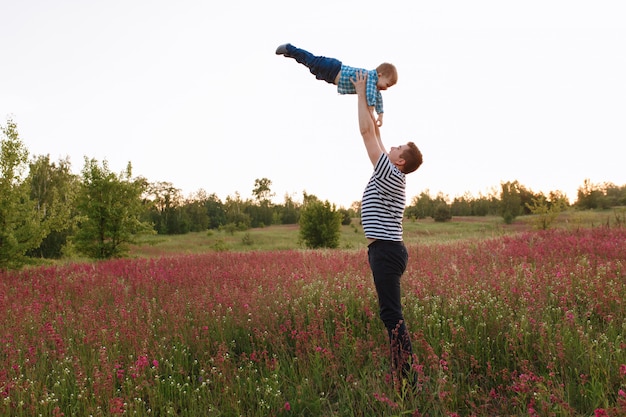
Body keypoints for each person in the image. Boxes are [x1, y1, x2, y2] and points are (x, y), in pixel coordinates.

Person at [351, 70, 423, 384]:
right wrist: (371, 109)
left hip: (386, 251)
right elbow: (377, 138)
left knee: (391, 314)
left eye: (398, 148)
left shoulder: (390, 174)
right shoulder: (392, 172)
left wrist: (359, 93)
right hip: (385, 250)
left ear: (401, 162)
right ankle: (402, 370)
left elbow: (368, 137)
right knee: (390, 313)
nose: (391, 146)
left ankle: (408, 378)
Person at [276, 43, 397, 127]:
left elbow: (378, 99)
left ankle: (293, 54)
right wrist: (371, 109)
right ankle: (290, 49)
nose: (385, 89)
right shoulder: (371, 77)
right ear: (380, 75)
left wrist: (380, 115)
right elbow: (371, 96)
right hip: (334, 68)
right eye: (387, 84)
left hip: (330, 76)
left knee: (310, 66)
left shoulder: (375, 88)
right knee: (311, 61)